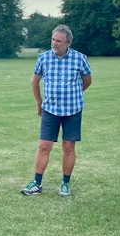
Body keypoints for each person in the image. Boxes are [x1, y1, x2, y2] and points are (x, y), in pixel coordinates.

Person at [21, 24, 92, 197]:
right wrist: (39, 103)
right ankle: (37, 183)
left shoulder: (79, 58)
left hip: (73, 110)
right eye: (53, 39)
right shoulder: (44, 58)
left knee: (68, 146)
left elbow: (87, 80)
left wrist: (74, 94)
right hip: (50, 109)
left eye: (59, 41)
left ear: (68, 43)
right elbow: (34, 82)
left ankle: (65, 183)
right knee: (44, 145)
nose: (54, 43)